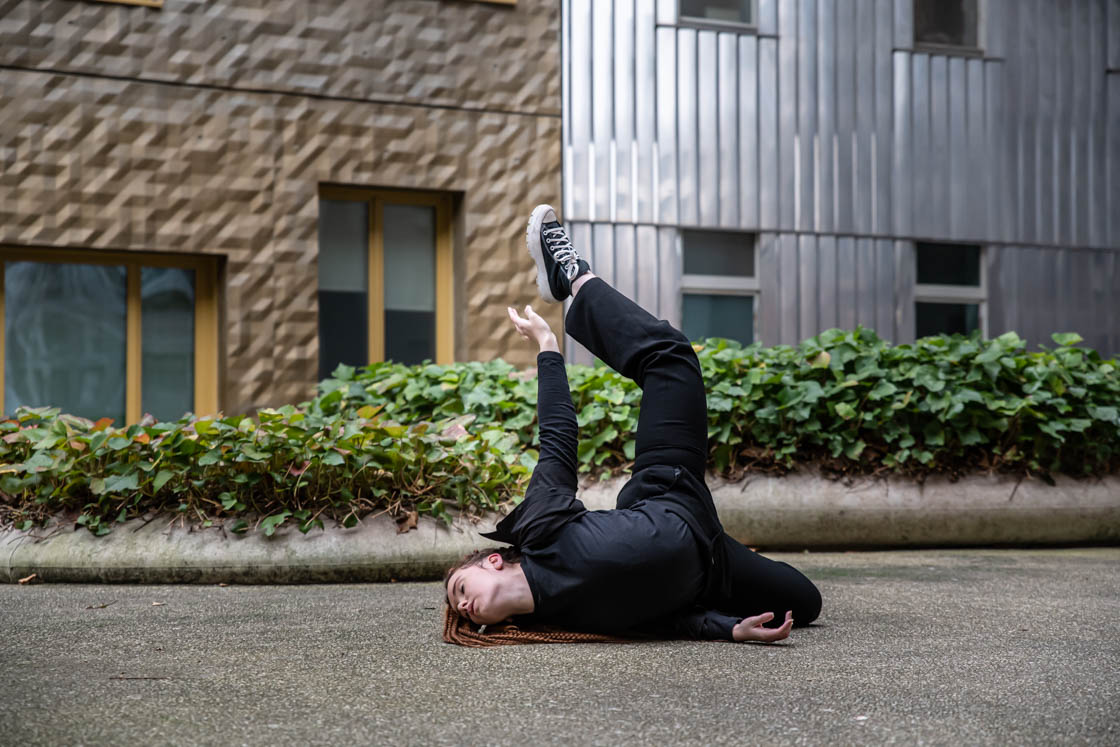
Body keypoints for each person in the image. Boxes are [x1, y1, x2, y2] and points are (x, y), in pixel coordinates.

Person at [444, 205, 822, 643]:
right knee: (805, 604)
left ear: (491, 562)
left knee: (671, 358)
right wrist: (729, 629)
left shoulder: (540, 531)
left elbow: (558, 439)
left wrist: (548, 349)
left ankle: (572, 274)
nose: (465, 608)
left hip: (669, 490)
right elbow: (658, 623)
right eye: (464, 613)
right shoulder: (565, 621)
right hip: (713, 570)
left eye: (461, 590)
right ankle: (725, 567)